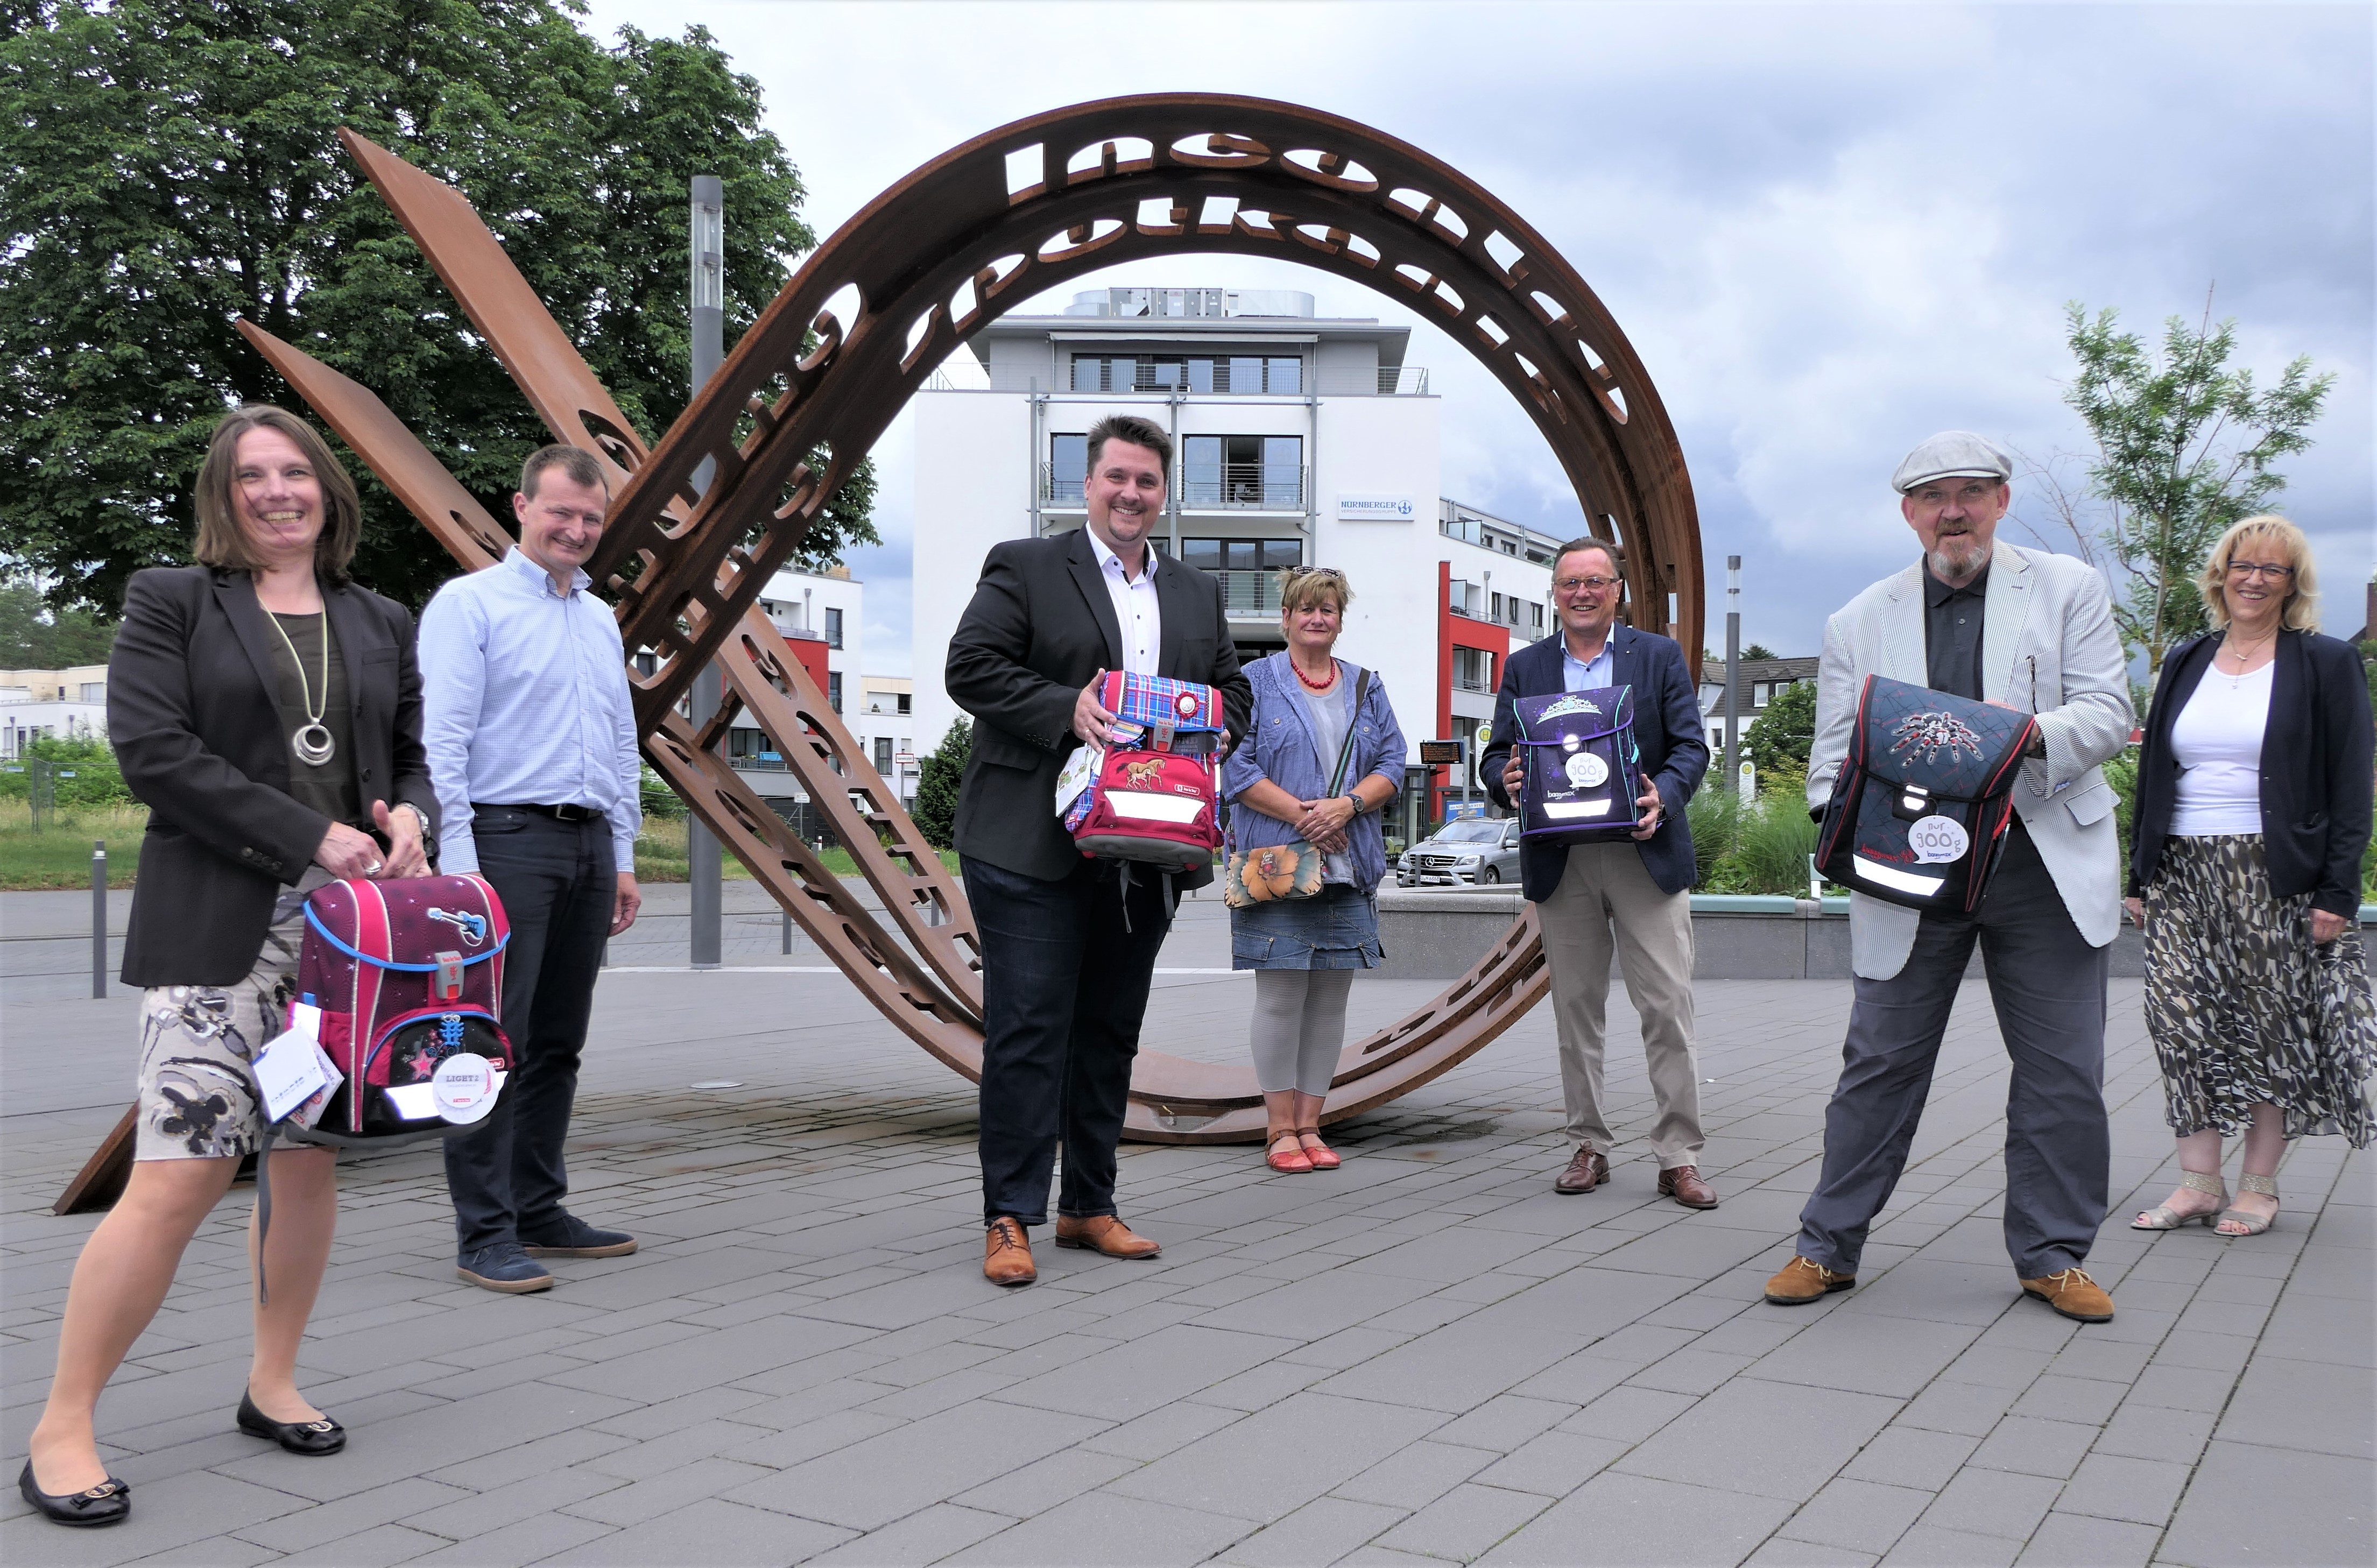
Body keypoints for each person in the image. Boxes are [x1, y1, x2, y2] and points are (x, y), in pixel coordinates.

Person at [20, 406, 437, 1528]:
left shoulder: (380, 616)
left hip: (351, 935)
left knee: (306, 1160)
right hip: (220, 920)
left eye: (295, 470)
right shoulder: (172, 600)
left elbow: (407, 755)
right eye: (252, 474)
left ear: (328, 490)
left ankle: (272, 1379)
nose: (276, 489)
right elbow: (154, 752)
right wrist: (309, 836)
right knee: (181, 1171)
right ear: (225, 493)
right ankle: (62, 1423)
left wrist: (409, 818)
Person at [1763, 432, 2133, 1322]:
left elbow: (2109, 713)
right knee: (1877, 1063)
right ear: (1909, 513)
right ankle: (1827, 1243)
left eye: (1970, 492)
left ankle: (2051, 1254)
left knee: (2062, 1073)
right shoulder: (1858, 618)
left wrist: (2025, 731)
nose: (1953, 510)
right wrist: (1850, 826)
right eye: (1933, 496)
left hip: (2040, 861)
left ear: (2001, 501)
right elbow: (1827, 765)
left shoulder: (2065, 588)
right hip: (1910, 873)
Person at [946, 413, 1251, 1287]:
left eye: (1146, 481)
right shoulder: (1027, 565)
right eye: (1116, 476)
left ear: (1164, 492)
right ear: (1087, 483)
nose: (1130, 493)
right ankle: (1008, 1215)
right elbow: (969, 666)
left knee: (1110, 1030)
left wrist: (1217, 728)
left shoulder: (1194, 591)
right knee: (1029, 1028)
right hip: (1029, 838)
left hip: (1147, 845)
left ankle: (1088, 1203)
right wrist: (1065, 708)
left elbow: (1232, 688)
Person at [420, 444, 643, 1295]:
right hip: (505, 841)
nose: (577, 529)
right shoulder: (469, 606)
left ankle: (539, 1205)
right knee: (486, 1037)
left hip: (586, 843)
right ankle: (483, 1231)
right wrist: (465, 870)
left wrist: (620, 854)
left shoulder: (599, 617)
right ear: (521, 506)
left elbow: (621, 743)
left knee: (557, 1040)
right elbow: (442, 743)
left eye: (591, 518)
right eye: (562, 513)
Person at [2126, 514, 2375, 1237]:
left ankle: (2257, 1185)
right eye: (2243, 564)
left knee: (2271, 1024)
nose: (2254, 579)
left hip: (2275, 870)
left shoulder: (2324, 662)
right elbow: (2153, 771)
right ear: (2221, 572)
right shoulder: (2185, 657)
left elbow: (2349, 783)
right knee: (2180, 1021)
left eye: (2272, 569)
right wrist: (2141, 872)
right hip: (2181, 866)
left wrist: (2337, 889)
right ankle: (2198, 1181)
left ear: (2292, 583)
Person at [1481, 538, 1716, 1207]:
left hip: (1645, 850)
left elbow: (1691, 746)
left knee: (1667, 1006)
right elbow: (1495, 755)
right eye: (1568, 584)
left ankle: (1678, 1155)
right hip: (1563, 860)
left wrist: (1662, 796)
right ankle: (1589, 1145)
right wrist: (1507, 775)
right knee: (1575, 1008)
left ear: (1617, 590)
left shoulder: (1659, 657)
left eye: (1595, 581)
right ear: (1553, 593)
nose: (1581, 593)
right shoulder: (1526, 666)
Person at [1219, 568, 1409, 1172]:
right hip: (1276, 861)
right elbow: (1234, 768)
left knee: (1329, 1001)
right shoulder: (1253, 681)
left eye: (1327, 608)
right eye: (1305, 608)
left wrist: (1347, 806)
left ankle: (1311, 1123)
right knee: (1279, 996)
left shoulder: (1364, 686)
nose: (1316, 618)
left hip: (1347, 864)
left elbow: (1393, 760)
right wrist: (1306, 816)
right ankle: (1278, 1128)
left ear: (1339, 618)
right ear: (1285, 617)